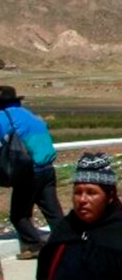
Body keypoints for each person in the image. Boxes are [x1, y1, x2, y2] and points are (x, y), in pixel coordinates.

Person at [0, 85, 62, 259]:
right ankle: (65, 243)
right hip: (48, 168)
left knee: (19, 215)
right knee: (53, 211)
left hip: (29, 172)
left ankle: (34, 245)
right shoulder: (30, 114)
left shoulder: (3, 117)